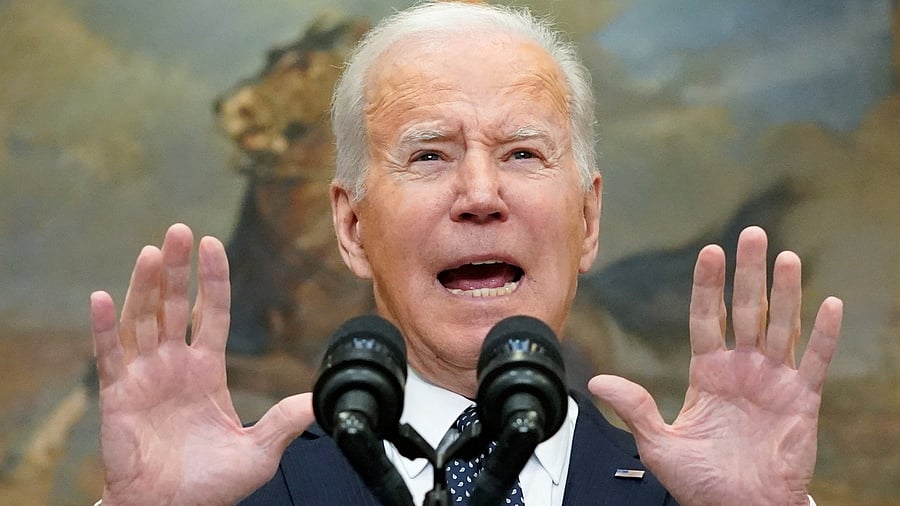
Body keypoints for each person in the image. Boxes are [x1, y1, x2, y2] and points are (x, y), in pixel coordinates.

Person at [89, 2, 843, 505]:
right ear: (352, 227)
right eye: (429, 156)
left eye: (522, 153)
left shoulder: (691, 497)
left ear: (587, 220)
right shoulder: (246, 495)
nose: (481, 194)